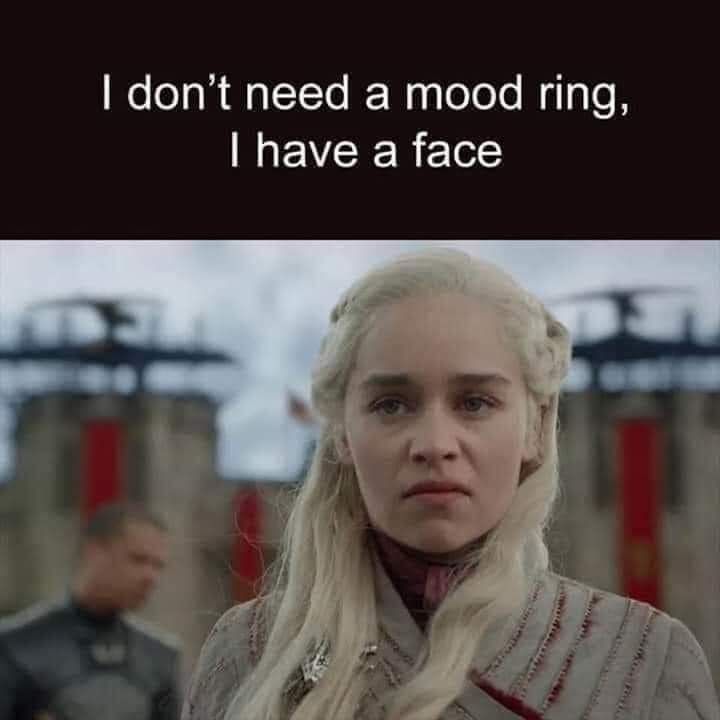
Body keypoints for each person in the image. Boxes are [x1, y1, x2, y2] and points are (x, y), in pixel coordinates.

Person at [182, 248, 720, 720]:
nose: (435, 444)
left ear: (535, 427)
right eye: (391, 405)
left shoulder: (647, 663)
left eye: (475, 403)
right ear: (343, 433)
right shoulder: (248, 654)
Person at [0, 501, 181, 720]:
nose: (150, 577)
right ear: (94, 551)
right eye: (138, 559)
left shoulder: (160, 657)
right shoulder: (16, 647)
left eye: (158, 565)